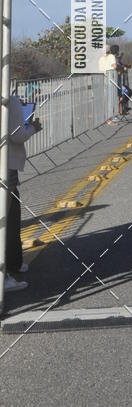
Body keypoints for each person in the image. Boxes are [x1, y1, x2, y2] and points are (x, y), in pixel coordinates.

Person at [4, 93, 42, 292]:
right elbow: (17, 135)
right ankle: (5, 275)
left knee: (12, 214)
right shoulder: (10, 100)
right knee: (6, 219)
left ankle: (13, 262)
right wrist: (33, 128)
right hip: (6, 164)